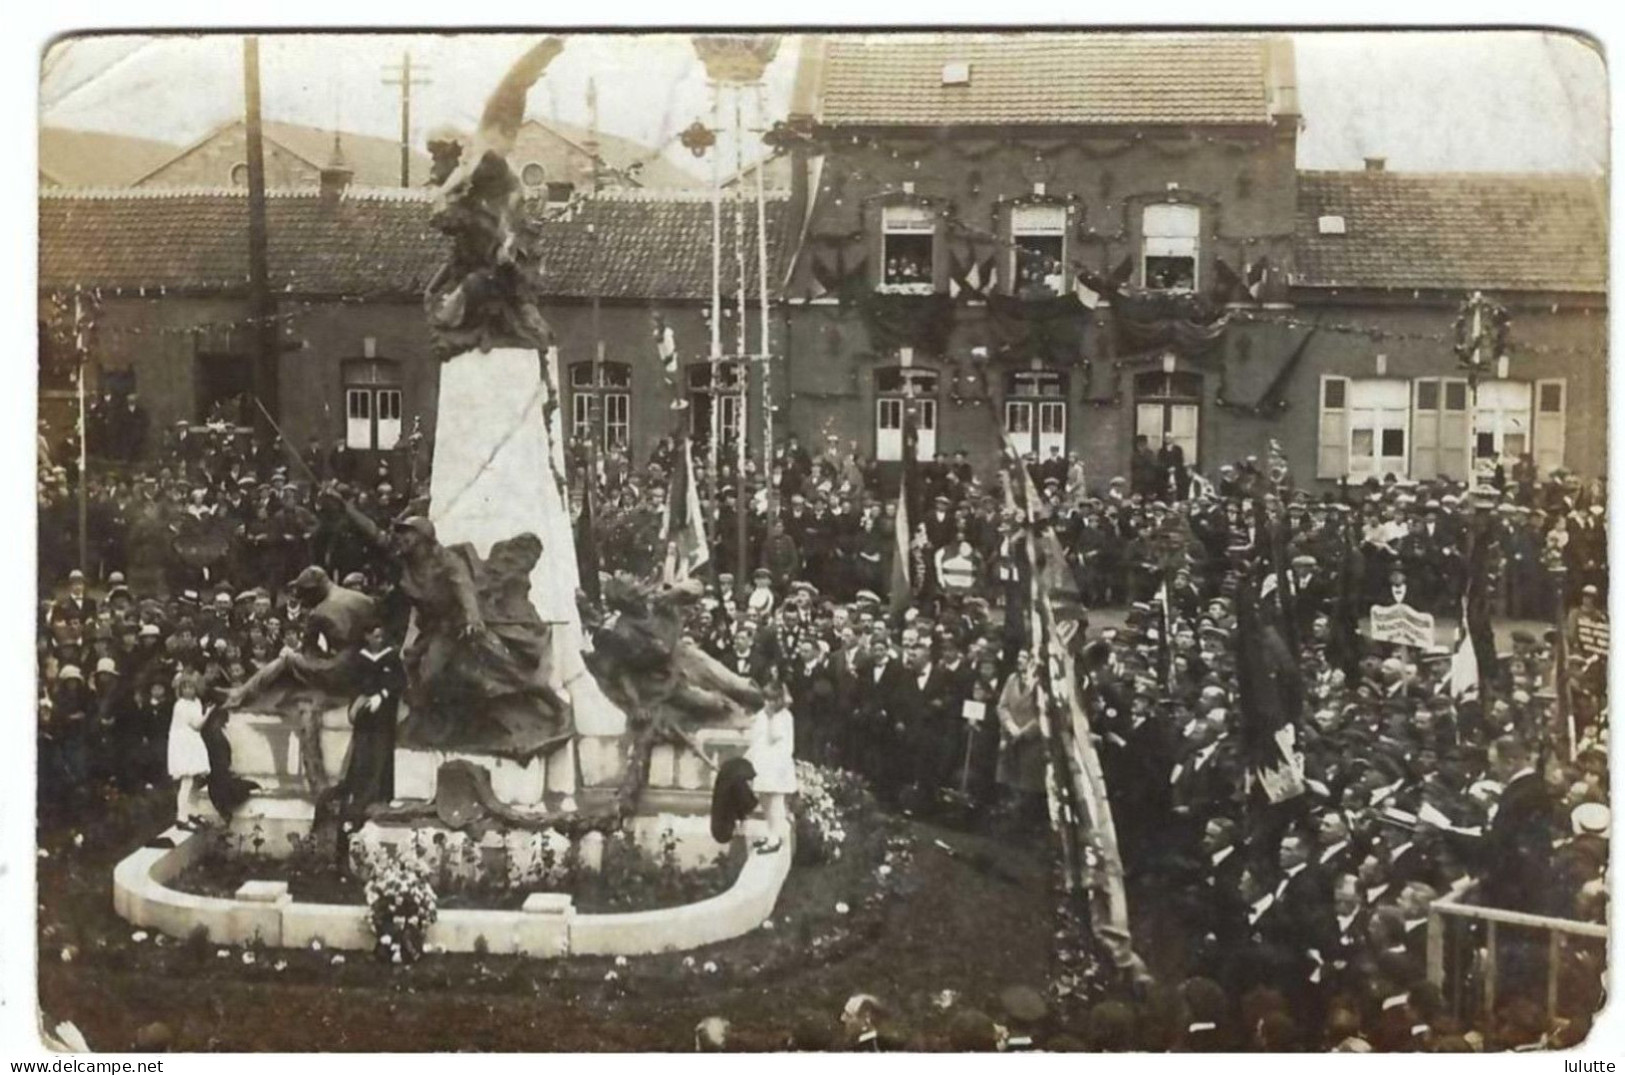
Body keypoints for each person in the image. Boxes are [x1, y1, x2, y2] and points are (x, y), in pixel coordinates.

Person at [995, 649, 1046, 833]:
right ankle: (1007, 824)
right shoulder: (1011, 679)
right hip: (1010, 737)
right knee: (1008, 781)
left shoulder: (1042, 685)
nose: (1019, 660)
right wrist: (1010, 726)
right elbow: (1002, 706)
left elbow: (1044, 714)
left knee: (1027, 786)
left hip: (1032, 743)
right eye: (1019, 657)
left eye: (1024, 657)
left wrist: (1024, 732)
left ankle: (1023, 828)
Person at [745, 678, 796, 851]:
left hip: (777, 764)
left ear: (781, 700)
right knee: (765, 800)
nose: (769, 703)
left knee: (775, 801)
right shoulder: (762, 715)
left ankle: (776, 838)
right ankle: (770, 832)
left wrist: (771, 717)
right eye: (767, 699)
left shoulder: (784, 717)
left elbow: (774, 736)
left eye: (774, 700)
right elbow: (757, 738)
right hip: (763, 762)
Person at [167, 671, 212, 824]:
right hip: (183, 743)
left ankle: (193, 811)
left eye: (191, 687)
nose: (188, 690)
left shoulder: (196, 702)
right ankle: (181, 816)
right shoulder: (180, 705)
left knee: (195, 780)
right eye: (184, 687)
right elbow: (197, 725)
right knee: (187, 780)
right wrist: (208, 713)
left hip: (192, 741)